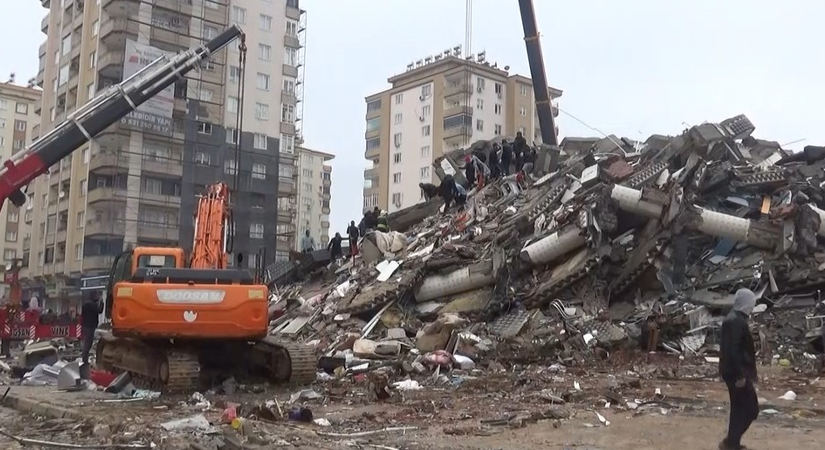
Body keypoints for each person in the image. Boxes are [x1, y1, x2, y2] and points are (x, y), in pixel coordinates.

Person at [719, 288, 759, 450]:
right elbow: (733, 350)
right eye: (751, 304)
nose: (752, 307)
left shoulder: (735, 319)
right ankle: (730, 442)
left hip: (733, 372)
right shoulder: (736, 321)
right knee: (750, 409)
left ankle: (732, 443)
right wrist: (741, 375)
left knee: (739, 409)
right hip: (736, 373)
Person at [81, 291, 104, 366]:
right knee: (88, 343)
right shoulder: (92, 305)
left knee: (86, 342)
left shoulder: (85, 304)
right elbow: (99, 310)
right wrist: (101, 302)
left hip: (85, 325)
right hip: (90, 326)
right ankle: (84, 361)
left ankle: (84, 359)